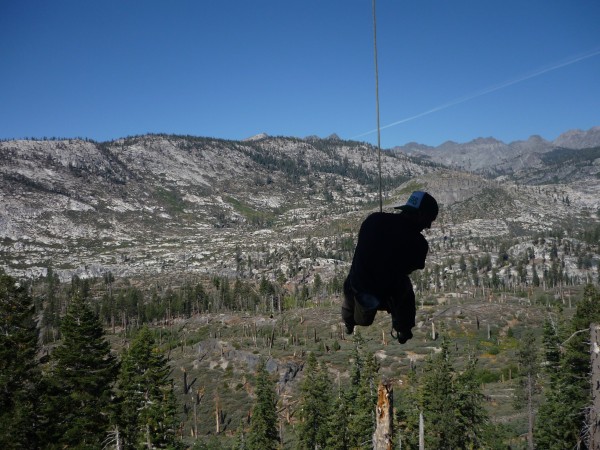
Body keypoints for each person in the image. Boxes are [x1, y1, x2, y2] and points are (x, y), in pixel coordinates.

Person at [342, 191, 438, 344]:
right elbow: (410, 268)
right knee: (405, 289)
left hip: (358, 286)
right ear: (420, 215)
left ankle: (348, 322)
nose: (428, 226)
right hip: (383, 294)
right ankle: (403, 329)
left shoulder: (374, 220)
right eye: (429, 220)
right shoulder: (419, 244)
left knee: (352, 290)